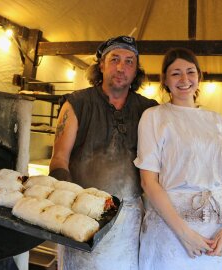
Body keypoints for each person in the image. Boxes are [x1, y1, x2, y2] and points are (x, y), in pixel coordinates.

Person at [49, 36, 158, 269]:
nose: (121, 67)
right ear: (101, 65)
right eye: (115, 59)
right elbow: (59, 159)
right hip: (83, 213)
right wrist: (71, 205)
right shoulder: (78, 103)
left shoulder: (148, 109)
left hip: (130, 218)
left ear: (136, 69)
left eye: (129, 61)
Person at [134, 48, 222, 269]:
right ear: (165, 80)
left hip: (215, 235)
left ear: (199, 77)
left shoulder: (216, 120)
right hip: (171, 231)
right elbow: (148, 181)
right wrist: (184, 233)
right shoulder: (154, 117)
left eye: (190, 72)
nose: (184, 79)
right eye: (176, 73)